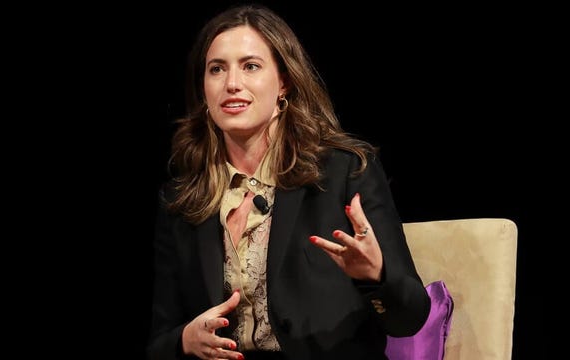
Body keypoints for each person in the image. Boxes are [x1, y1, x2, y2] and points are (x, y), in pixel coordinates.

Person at [147, 4, 430, 360]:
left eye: (250, 66)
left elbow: (411, 318)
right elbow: (160, 340)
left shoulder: (344, 172)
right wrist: (185, 340)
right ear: (203, 88)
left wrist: (375, 277)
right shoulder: (182, 198)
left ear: (284, 82)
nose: (232, 83)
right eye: (217, 69)